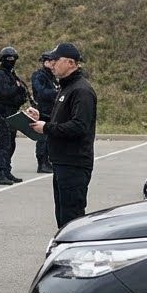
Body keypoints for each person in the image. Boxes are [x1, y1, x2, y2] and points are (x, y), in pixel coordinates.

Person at [29, 42, 97, 229]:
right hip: (62, 162)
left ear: (70, 62)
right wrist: (40, 118)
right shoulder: (66, 88)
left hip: (74, 164)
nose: (51, 64)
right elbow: (61, 120)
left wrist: (47, 128)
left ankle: (74, 256)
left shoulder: (81, 90)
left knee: (72, 220)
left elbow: (79, 126)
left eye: (55, 60)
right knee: (62, 218)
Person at [0, 45, 29, 185]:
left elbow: (21, 92)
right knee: (4, 143)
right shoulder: (0, 74)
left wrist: (20, 92)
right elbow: (4, 92)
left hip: (13, 111)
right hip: (3, 112)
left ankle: (6, 170)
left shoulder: (11, 74)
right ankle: (0, 173)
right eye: (9, 59)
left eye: (13, 59)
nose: (11, 62)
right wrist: (17, 88)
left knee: (11, 143)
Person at [31, 51, 58, 173]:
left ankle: (47, 161)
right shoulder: (39, 76)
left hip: (52, 110)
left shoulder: (52, 77)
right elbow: (41, 92)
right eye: (51, 62)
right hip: (42, 110)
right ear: (46, 62)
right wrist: (56, 94)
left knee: (50, 138)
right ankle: (41, 163)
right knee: (42, 138)